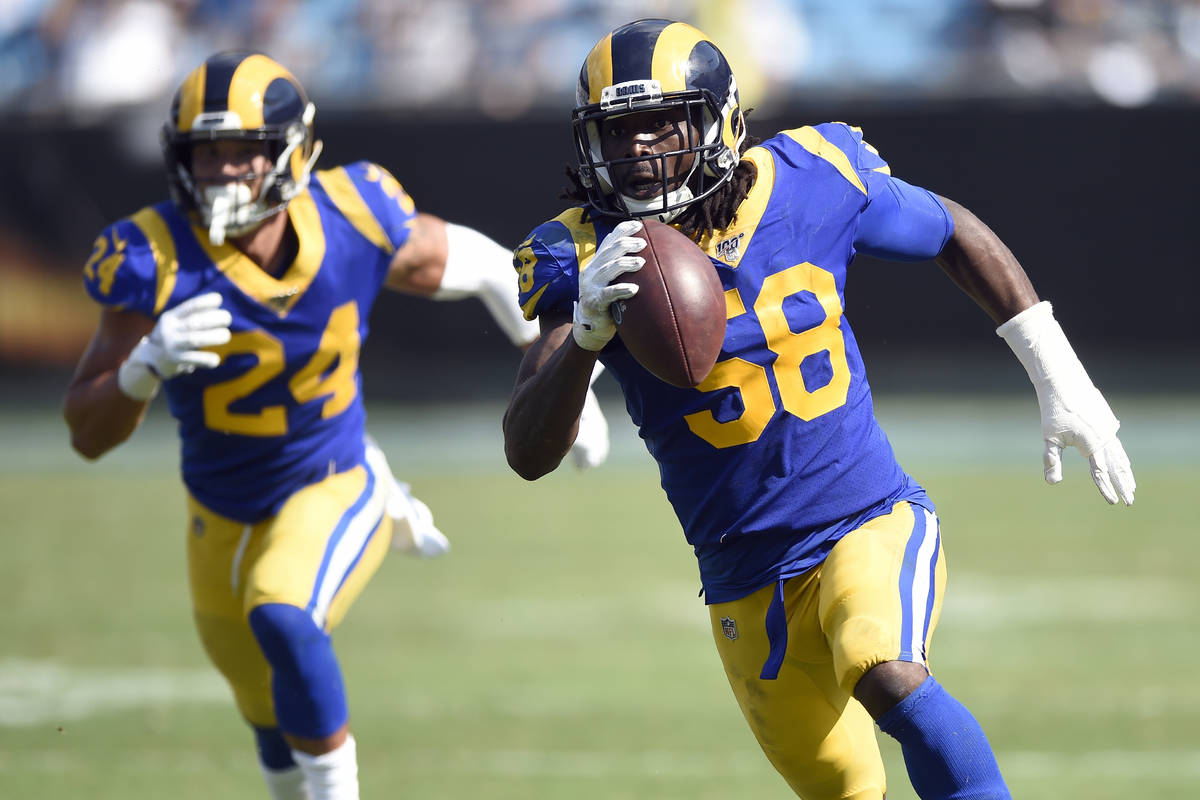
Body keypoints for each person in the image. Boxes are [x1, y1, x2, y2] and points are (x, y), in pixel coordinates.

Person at [503, 18, 1135, 800]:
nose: (639, 149)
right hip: (740, 577)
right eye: (621, 131)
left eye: (661, 123)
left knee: (888, 671)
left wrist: (1057, 371)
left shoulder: (810, 176)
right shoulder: (576, 254)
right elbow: (528, 450)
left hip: (864, 519)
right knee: (840, 787)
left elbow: (950, 230)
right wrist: (586, 339)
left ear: (720, 118)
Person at [62, 51, 608, 800]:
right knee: (268, 718)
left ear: (291, 154)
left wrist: (560, 375)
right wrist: (143, 366)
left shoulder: (351, 214)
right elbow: (87, 433)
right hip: (218, 508)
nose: (221, 174)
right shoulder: (150, 254)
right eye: (207, 155)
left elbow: (485, 268)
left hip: (333, 476)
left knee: (282, 614)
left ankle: (383, 499)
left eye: (241, 154)